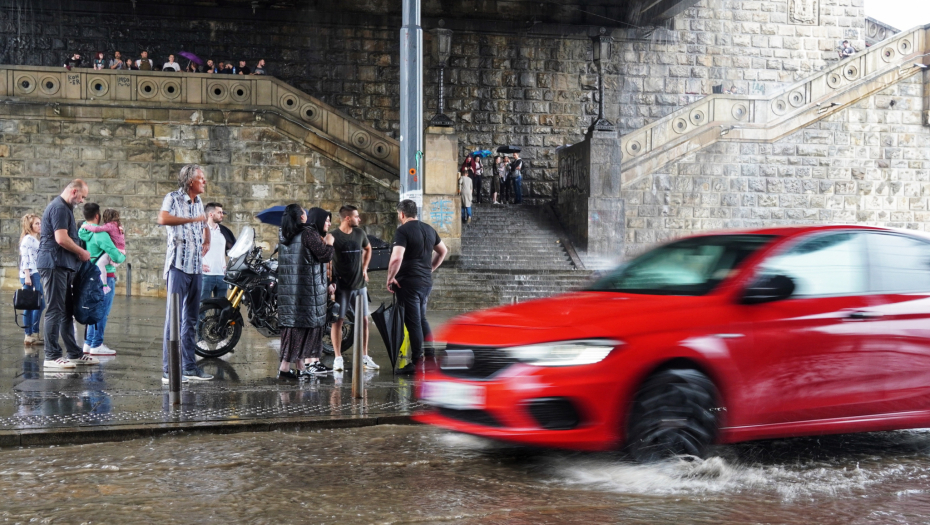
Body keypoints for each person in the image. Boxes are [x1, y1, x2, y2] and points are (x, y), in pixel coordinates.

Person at [157, 164, 213, 382]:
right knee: (173, 319)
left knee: (190, 319)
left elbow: (203, 224)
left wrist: (207, 237)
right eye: (201, 178)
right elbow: (162, 219)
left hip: (196, 267)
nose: (204, 181)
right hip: (178, 267)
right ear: (191, 181)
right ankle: (169, 370)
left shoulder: (198, 202)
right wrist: (192, 220)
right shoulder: (172, 198)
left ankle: (189, 367)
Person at [36, 180, 98, 370]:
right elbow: (61, 239)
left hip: (62, 265)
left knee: (66, 311)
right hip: (54, 265)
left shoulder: (65, 208)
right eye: (82, 197)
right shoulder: (60, 208)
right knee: (55, 310)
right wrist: (81, 251)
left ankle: (74, 353)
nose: (82, 201)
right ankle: (52, 356)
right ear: (73, 192)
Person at [386, 200, 448, 374]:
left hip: (408, 282)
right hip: (425, 282)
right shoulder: (429, 229)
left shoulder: (403, 230)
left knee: (413, 322)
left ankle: (417, 362)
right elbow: (443, 251)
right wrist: (429, 269)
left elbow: (396, 258)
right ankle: (430, 358)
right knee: (422, 319)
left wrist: (390, 278)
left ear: (402, 214)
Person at [277, 205, 335, 379]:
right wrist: (330, 242)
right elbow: (324, 255)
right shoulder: (307, 234)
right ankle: (285, 368)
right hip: (307, 291)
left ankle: (299, 366)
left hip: (290, 291)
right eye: (304, 212)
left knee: (294, 329)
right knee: (306, 329)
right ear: (300, 217)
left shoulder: (284, 235)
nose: (307, 215)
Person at [330, 205, 379, 372]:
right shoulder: (334, 236)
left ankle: (364, 356)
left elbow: (368, 249)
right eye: (356, 216)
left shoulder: (360, 234)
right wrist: (330, 280)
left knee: (364, 320)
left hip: (360, 285)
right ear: (347, 218)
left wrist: (364, 268)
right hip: (342, 286)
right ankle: (338, 358)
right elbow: (327, 260)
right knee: (338, 320)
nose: (359, 219)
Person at [78, 205, 125, 356]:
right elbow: (116, 256)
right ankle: (97, 344)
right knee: (102, 311)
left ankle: (89, 343)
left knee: (93, 310)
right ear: (97, 216)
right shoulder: (101, 234)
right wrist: (122, 256)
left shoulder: (82, 232)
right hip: (105, 276)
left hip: (89, 275)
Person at [19, 214, 45, 346]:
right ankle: (30, 334)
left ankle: (31, 334)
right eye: (36, 223)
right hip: (31, 274)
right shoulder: (28, 239)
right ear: (30, 226)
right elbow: (25, 258)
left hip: (35, 273)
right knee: (34, 304)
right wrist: (27, 275)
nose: (39, 225)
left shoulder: (35, 239)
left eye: (40, 223)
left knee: (33, 304)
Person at [201, 202, 228, 300]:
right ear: (211, 214)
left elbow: (233, 248)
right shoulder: (200, 231)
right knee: (202, 306)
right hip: (206, 276)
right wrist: (199, 264)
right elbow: (190, 250)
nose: (222, 215)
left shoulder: (223, 231)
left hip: (222, 275)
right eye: (219, 212)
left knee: (221, 308)